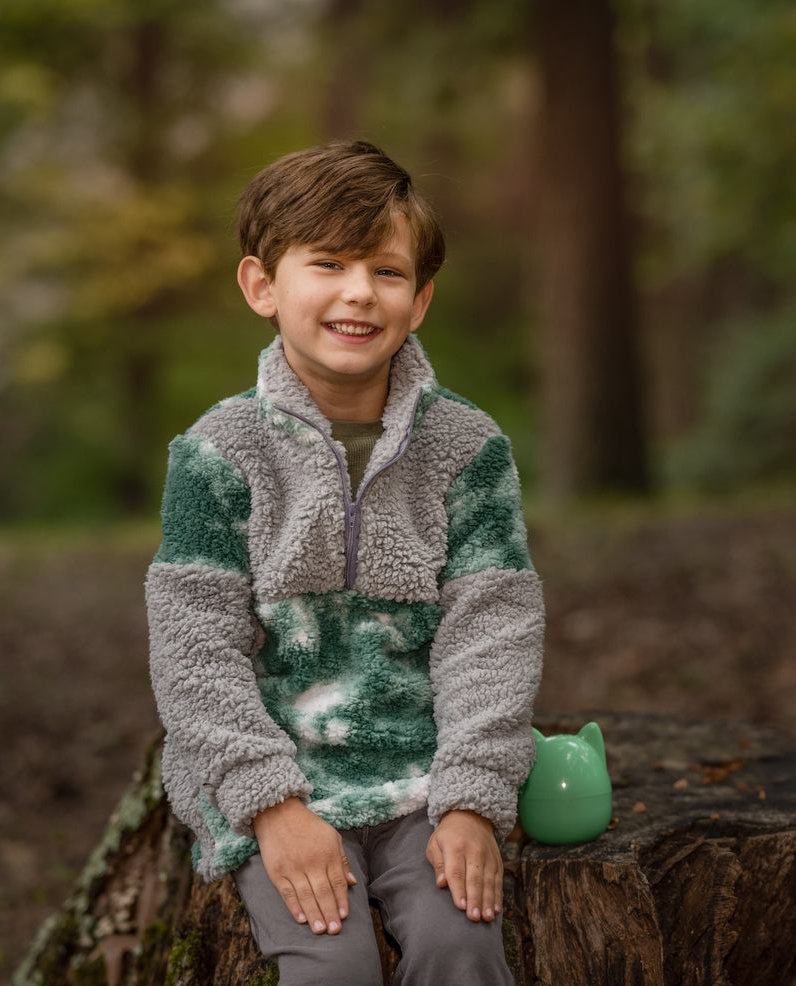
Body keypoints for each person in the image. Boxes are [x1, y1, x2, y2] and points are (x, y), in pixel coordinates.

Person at [145, 139, 544, 985]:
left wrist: (472, 799)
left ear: (421, 299)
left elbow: (494, 631)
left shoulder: (466, 449)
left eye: (387, 272)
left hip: (422, 774)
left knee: (461, 945)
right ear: (262, 285)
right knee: (334, 967)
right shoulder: (219, 453)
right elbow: (194, 649)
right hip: (268, 775)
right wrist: (271, 806)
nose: (359, 291)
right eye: (327, 263)